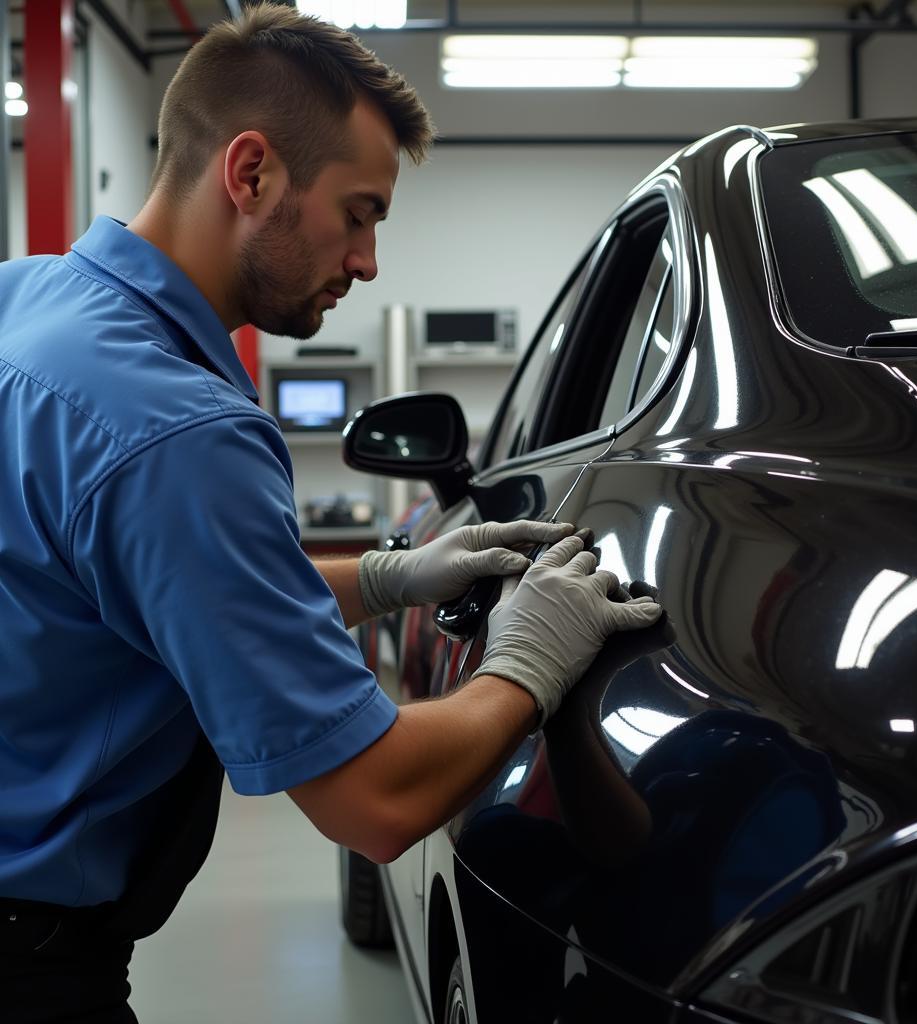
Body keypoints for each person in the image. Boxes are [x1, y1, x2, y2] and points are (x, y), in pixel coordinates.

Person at [0, 4, 662, 1021]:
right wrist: (529, 662)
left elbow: (154, 589)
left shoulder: (28, 300)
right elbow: (374, 800)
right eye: (358, 213)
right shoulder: (178, 431)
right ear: (251, 171)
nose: (366, 262)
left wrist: (391, 576)